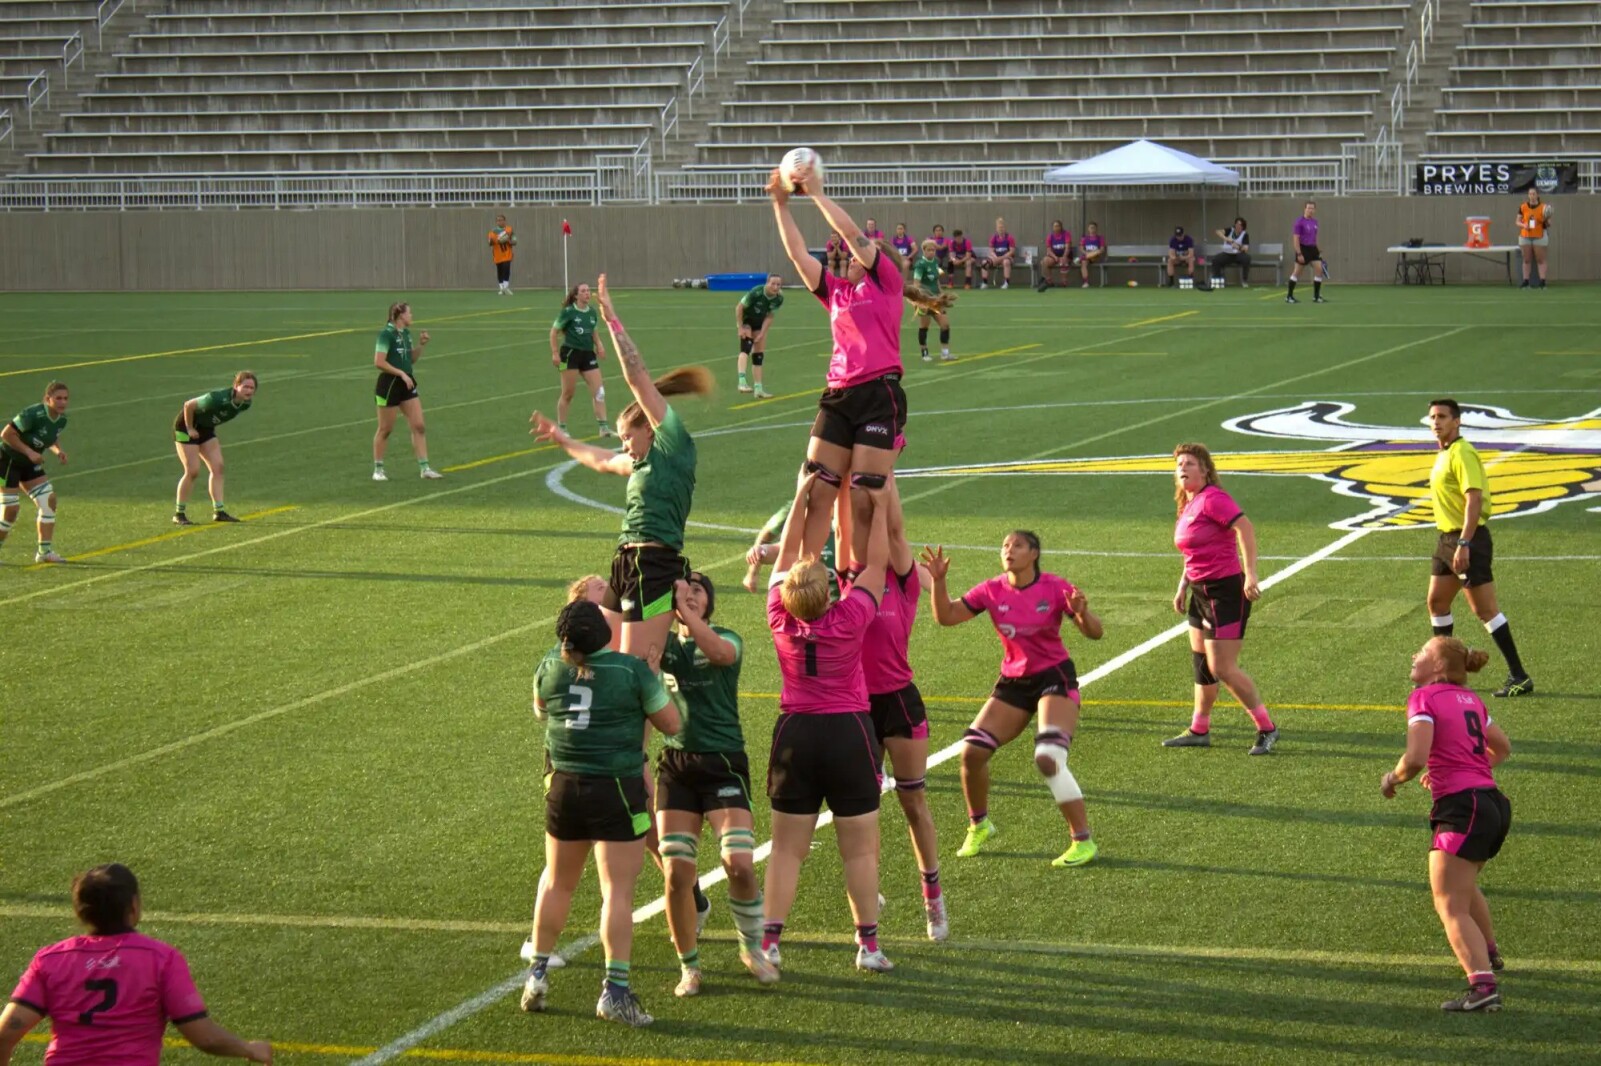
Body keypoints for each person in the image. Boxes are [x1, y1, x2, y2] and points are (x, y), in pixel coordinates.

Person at [531, 274, 713, 675]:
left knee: (636, 671)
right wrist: (563, 439)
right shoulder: (642, 462)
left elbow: (636, 375)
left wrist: (612, 319)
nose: (624, 446)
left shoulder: (674, 446)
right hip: (626, 563)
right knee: (603, 661)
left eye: (628, 436)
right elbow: (601, 460)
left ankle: (636, 740)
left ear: (649, 427)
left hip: (657, 566)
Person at [522, 600, 682, 1027]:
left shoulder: (549, 667)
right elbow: (671, 723)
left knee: (557, 883)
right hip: (615, 788)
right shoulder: (630, 672)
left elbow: (541, 711)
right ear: (605, 635)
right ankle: (615, 991)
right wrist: (653, 681)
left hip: (564, 787)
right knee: (617, 893)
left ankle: (537, 973)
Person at [760, 472, 895, 972]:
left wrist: (800, 496)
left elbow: (787, 554)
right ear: (830, 592)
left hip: (795, 734)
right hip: (847, 732)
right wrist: (879, 508)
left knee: (786, 851)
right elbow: (876, 563)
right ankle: (868, 946)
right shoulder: (851, 615)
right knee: (858, 852)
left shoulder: (779, 615)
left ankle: (770, 942)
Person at [922, 531, 1104, 868]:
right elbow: (946, 616)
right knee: (972, 752)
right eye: (1005, 545)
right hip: (1014, 682)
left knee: (1048, 757)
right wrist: (939, 581)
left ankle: (1083, 840)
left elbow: (1095, 632)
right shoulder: (991, 589)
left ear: (1034, 553)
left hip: (1054, 677)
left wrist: (1082, 613)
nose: (1009, 550)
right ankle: (980, 825)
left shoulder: (1054, 586)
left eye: (1017, 545)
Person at [768, 161, 906, 573]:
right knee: (815, 490)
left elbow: (851, 234)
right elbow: (796, 254)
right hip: (838, 397)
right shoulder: (837, 293)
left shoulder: (886, 282)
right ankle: (809, 578)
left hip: (880, 395)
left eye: (855, 254)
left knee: (865, 499)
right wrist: (781, 204)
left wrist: (815, 193)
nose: (847, 255)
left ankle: (865, 583)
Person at [0, 863, 271, 1065]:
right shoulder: (160, 959)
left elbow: (6, 1033)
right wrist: (248, 1048)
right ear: (133, 905)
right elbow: (204, 1037)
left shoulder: (51, 960)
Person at [656, 572, 780, 994]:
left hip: (723, 762)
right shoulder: (663, 644)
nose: (689, 594)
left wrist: (688, 619)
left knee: (740, 865)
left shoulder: (727, 638)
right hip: (676, 764)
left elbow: (720, 655)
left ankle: (751, 947)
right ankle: (689, 965)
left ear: (709, 603)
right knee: (676, 873)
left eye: (698, 591)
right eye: (683, 589)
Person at [1380, 637, 1513, 1012]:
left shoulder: (1425, 698)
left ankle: (1483, 987)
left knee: (1449, 903)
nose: (1413, 655)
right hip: (1492, 804)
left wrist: (1393, 778)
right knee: (1464, 887)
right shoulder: (1471, 700)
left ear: (1437, 667)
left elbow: (1417, 756)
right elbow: (1501, 748)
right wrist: (1462, 769)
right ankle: (1488, 953)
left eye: (1421, 652)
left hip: (1463, 807)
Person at [857, 478, 947, 940]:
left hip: (899, 700)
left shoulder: (908, 583)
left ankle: (933, 896)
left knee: (913, 802)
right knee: (864, 807)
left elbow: (894, 535)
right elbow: (843, 534)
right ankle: (867, 892)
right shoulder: (857, 584)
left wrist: (884, 482)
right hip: (855, 706)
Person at [1163, 443, 1279, 753]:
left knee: (1223, 668)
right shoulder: (1188, 504)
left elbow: (1245, 528)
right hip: (1200, 593)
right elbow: (1193, 551)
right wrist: (1182, 585)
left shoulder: (1214, 499)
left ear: (1205, 470)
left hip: (1225, 592)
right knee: (1201, 664)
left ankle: (1267, 728)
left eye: (1189, 463)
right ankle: (1199, 729)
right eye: (1179, 465)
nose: (1183, 468)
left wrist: (1251, 573)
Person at [1424, 399, 1532, 697]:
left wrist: (1464, 543)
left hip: (1466, 539)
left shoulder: (1462, 453)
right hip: (1446, 539)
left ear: (1456, 421)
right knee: (1437, 603)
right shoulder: (1444, 453)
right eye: (1432, 416)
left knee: (1485, 610)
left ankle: (1519, 675)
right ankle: (1445, 671)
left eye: (1443, 416)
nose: (1436, 421)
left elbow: (1473, 499)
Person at [173, 370, 257, 525]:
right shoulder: (217, 399)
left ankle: (219, 511)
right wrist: (190, 428)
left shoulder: (245, 404)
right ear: (236, 386)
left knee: (218, 467)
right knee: (192, 471)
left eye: (252, 388)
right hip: (185, 427)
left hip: (206, 429)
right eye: (245, 387)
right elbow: (188, 405)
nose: (249, 391)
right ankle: (179, 514)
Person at [0, 380, 69, 564]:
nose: (63, 402)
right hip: (6, 461)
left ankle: (44, 552)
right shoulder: (33, 414)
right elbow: (6, 434)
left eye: (65, 398)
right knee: (11, 510)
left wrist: (58, 451)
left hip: (29, 464)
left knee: (49, 501)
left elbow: (52, 437)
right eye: (58, 398)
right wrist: (30, 452)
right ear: (48, 399)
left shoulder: (61, 420)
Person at [373, 302, 442, 482]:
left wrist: (421, 345)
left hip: (407, 383)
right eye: (409, 313)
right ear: (400, 315)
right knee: (385, 429)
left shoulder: (406, 334)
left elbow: (410, 359)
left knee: (419, 425)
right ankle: (378, 469)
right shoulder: (386, 335)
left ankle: (424, 468)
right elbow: (379, 362)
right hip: (389, 385)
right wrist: (401, 373)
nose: (412, 316)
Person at [550, 283, 612, 439]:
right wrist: (555, 353)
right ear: (576, 295)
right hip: (569, 355)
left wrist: (599, 346)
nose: (587, 293)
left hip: (588, 355)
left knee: (599, 392)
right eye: (583, 291)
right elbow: (553, 332)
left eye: (588, 291)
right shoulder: (568, 312)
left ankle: (604, 428)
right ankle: (562, 428)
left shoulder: (591, 312)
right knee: (568, 393)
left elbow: (594, 332)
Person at [743, 499, 838, 593]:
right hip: (809, 602)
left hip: (843, 603)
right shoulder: (798, 508)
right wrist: (759, 555)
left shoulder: (847, 525)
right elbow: (782, 549)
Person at [735, 274, 784, 399]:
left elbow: (769, 316)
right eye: (773, 283)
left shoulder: (778, 298)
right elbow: (739, 307)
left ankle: (758, 389)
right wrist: (740, 327)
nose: (775, 287)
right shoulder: (756, 292)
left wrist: (762, 333)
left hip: (759, 322)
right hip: (747, 320)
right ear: (767, 283)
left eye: (778, 284)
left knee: (758, 355)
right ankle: (742, 382)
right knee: (745, 348)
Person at [909, 239, 956, 363]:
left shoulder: (935, 262)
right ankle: (924, 353)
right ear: (923, 250)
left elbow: (936, 280)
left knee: (945, 325)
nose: (931, 252)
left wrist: (942, 294)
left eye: (933, 250)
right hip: (925, 301)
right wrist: (921, 299)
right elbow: (916, 284)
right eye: (929, 250)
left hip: (936, 300)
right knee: (924, 326)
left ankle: (945, 353)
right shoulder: (920, 265)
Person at [1287, 200, 1326, 304]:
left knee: (1319, 270)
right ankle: (1289, 296)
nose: (1310, 210)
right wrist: (1299, 253)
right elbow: (1296, 239)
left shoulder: (1315, 222)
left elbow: (1314, 237)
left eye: (1312, 208)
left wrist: (1318, 250)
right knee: (1297, 273)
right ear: (1305, 209)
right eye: (1308, 208)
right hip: (1303, 249)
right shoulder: (1299, 222)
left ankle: (1316, 296)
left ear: (1315, 210)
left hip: (1313, 249)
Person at [1516, 187, 1552, 289]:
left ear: (1537, 195)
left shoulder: (1543, 207)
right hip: (1526, 235)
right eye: (1530, 194)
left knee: (1540, 259)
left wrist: (1546, 219)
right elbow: (1517, 221)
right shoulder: (1523, 207)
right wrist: (1524, 225)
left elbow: (1549, 223)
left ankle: (1542, 282)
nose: (1532, 196)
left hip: (1539, 235)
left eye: (1534, 194)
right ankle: (1526, 281)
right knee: (1526, 259)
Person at [1211, 218, 1252, 288]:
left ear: (1243, 227)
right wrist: (1226, 238)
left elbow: (1245, 249)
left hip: (1238, 255)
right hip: (1227, 254)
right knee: (1216, 260)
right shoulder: (1230, 230)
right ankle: (1217, 280)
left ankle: (1244, 280)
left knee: (1247, 259)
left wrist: (1238, 247)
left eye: (1240, 225)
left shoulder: (1245, 234)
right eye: (1237, 224)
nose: (1238, 226)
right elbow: (1218, 232)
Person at [980, 217, 1016, 289]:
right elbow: (991, 250)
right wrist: (995, 257)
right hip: (996, 258)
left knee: (1006, 262)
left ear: (1005, 228)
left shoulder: (1010, 238)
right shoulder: (994, 238)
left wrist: (1001, 258)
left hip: (1007, 257)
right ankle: (985, 282)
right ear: (996, 229)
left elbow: (1011, 251)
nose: (1001, 229)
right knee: (984, 262)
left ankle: (1006, 282)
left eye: (1002, 227)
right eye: (999, 228)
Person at [1039, 220, 1074, 290]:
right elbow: (1048, 250)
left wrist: (1064, 256)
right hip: (1054, 256)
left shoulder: (1066, 234)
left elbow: (1068, 247)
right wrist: (1055, 257)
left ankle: (1064, 282)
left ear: (1061, 227)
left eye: (1058, 226)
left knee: (1063, 261)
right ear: (1053, 227)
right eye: (1055, 226)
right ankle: (1049, 281)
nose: (1056, 227)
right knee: (1045, 261)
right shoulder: (1050, 236)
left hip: (1065, 255)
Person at [489, 213, 516, 296]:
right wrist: (493, 241)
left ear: (504, 221)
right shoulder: (492, 232)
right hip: (498, 254)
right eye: (497, 221)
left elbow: (514, 241)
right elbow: (490, 243)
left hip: (507, 253)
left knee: (506, 268)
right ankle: (501, 289)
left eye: (501, 220)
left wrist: (508, 240)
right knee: (500, 270)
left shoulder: (509, 230)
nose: (499, 222)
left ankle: (506, 287)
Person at [1078, 223, 1106, 287]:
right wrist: (1087, 253)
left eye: (1093, 227)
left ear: (1096, 229)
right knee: (1083, 263)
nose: (1092, 229)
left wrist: (1094, 253)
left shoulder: (1100, 238)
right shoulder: (1084, 238)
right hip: (1087, 256)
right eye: (1091, 228)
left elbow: (1102, 249)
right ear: (1088, 229)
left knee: (1097, 252)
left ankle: (1080, 258)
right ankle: (1086, 282)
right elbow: (1081, 248)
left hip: (1096, 257)